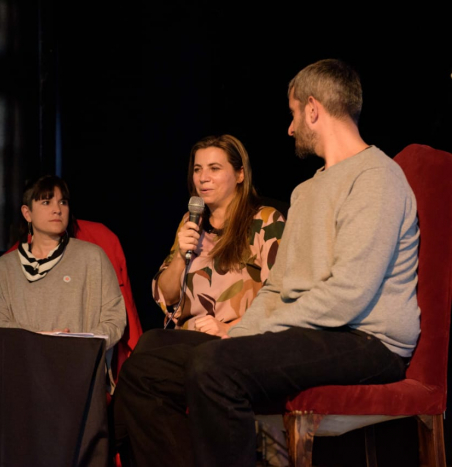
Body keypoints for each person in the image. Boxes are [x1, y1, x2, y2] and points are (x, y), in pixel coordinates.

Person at [112, 58, 420, 467]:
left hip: (366, 340)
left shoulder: (376, 177)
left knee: (214, 366)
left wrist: (251, 335)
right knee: (147, 366)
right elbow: (278, 287)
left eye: (294, 114)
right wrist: (243, 332)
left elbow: (350, 293)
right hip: (314, 332)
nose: (291, 128)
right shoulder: (306, 192)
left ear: (313, 109)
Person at [153, 134, 285, 334]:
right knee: (148, 344)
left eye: (214, 168)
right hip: (186, 339)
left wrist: (230, 328)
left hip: (236, 340)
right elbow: (167, 296)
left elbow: (280, 295)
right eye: (198, 169)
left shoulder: (265, 221)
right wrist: (180, 256)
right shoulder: (191, 221)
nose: (203, 177)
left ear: (240, 174)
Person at [0, 174, 127, 351]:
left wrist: (83, 347)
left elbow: (114, 317)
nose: (57, 209)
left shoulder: (92, 257)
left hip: (78, 366)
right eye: (46, 202)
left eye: (63, 202)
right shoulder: (5, 267)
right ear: (27, 213)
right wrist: (38, 341)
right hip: (23, 367)